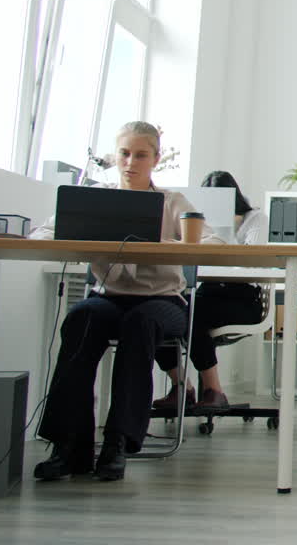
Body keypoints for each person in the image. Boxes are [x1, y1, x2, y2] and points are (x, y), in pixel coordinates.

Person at [31, 121, 222, 482]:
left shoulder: (173, 203)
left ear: (156, 159)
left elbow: (214, 243)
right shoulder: (95, 199)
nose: (131, 162)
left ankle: (117, 443)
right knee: (81, 318)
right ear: (115, 155)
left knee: (141, 323)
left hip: (163, 301)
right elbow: (42, 233)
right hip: (109, 299)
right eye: (124, 153)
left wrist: (165, 244)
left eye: (141, 155)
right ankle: (68, 446)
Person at [152, 170, 268, 412]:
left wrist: (224, 235)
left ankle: (214, 390)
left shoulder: (255, 218)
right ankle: (181, 386)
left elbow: (250, 263)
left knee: (194, 313)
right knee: (161, 310)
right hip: (208, 291)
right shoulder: (197, 222)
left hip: (242, 297)